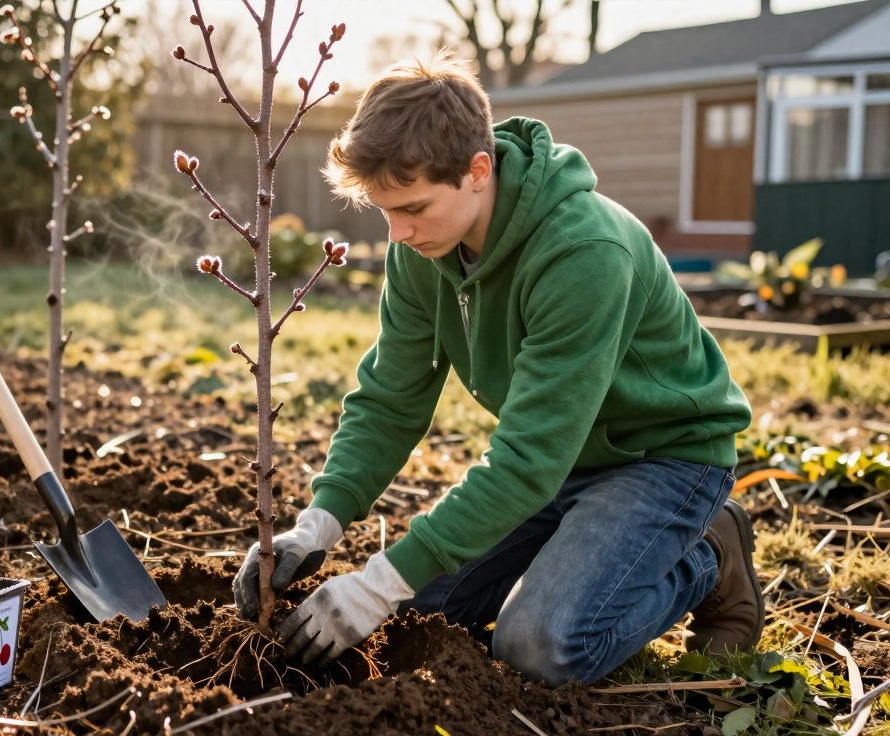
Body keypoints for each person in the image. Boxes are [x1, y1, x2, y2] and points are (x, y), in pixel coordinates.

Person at [231, 51, 761, 687]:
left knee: (539, 646)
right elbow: (390, 399)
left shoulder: (584, 251)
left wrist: (375, 583)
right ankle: (577, 549)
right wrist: (320, 520)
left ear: (478, 170)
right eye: (384, 210)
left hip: (663, 457)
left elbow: (529, 458)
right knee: (420, 614)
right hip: (557, 462)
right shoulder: (424, 249)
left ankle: (708, 554)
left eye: (415, 208)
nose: (396, 232)